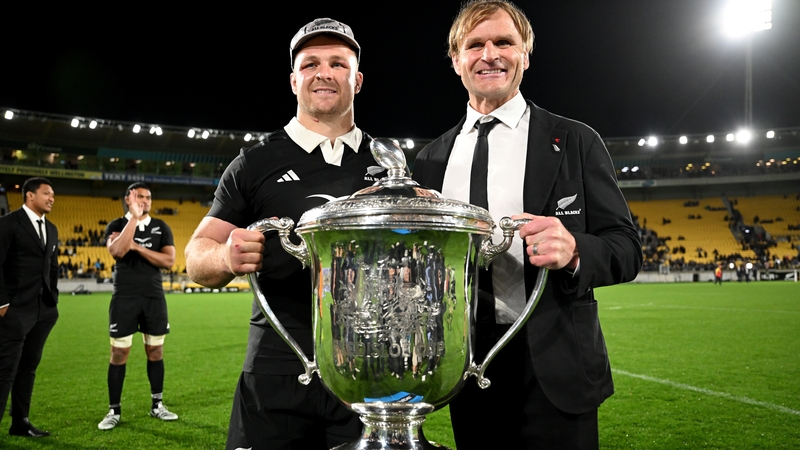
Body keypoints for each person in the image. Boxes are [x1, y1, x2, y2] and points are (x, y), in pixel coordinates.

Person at [412, 1, 643, 448]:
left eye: (504, 42)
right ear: (456, 59)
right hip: (470, 366)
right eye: (475, 44)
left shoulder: (574, 140)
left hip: (557, 368)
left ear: (526, 54)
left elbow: (627, 249)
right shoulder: (429, 161)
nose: (490, 54)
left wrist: (575, 249)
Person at [184, 18, 384, 450]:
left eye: (337, 63)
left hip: (368, 374)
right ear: (295, 80)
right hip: (276, 372)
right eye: (310, 63)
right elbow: (195, 255)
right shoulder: (255, 162)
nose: (323, 73)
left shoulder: (390, 164)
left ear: (358, 79)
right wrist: (224, 258)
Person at [97, 182, 178, 430]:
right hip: (124, 298)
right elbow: (118, 251)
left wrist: (136, 247)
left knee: (155, 351)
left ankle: (157, 405)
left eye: (148, 197)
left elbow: (169, 260)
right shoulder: (116, 225)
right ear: (128, 199)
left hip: (153, 297)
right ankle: (114, 410)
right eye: (139, 197)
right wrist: (133, 218)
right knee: (119, 353)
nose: (145, 201)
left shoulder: (160, 227)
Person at [0, 177, 59, 437]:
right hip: (13, 310)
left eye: (53, 195)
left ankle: (19, 422)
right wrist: (2, 303)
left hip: (42, 311)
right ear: (30, 196)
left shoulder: (52, 228)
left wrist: (52, 299)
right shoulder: (8, 224)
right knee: (5, 370)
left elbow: (52, 267)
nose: (51, 198)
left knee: (28, 367)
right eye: (46, 193)